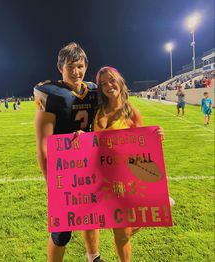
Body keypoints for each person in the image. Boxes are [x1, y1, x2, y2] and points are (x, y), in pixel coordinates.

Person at [34, 42, 104, 262]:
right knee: (62, 232)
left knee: (91, 216)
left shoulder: (93, 90)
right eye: (71, 66)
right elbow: (43, 145)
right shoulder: (50, 93)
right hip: (63, 171)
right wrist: (51, 183)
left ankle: (93, 256)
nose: (76, 71)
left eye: (80, 66)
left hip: (88, 166)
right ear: (60, 68)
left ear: (86, 66)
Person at [92, 66, 166, 262]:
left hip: (129, 181)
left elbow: (142, 146)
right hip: (108, 181)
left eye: (111, 80)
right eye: (103, 83)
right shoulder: (99, 113)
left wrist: (156, 139)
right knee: (120, 232)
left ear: (119, 81)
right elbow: (93, 146)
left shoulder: (132, 112)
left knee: (123, 233)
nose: (108, 85)